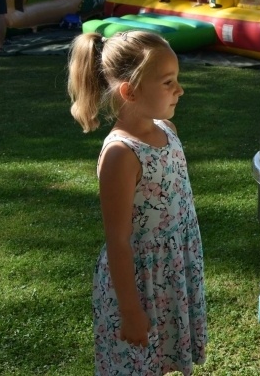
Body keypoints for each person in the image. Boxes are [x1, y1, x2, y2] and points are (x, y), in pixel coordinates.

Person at [67, 30, 207, 375]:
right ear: (130, 92)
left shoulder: (168, 129)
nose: (180, 90)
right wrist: (130, 312)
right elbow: (117, 240)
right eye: (168, 82)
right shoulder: (120, 154)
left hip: (170, 270)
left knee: (161, 360)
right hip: (139, 283)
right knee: (136, 365)